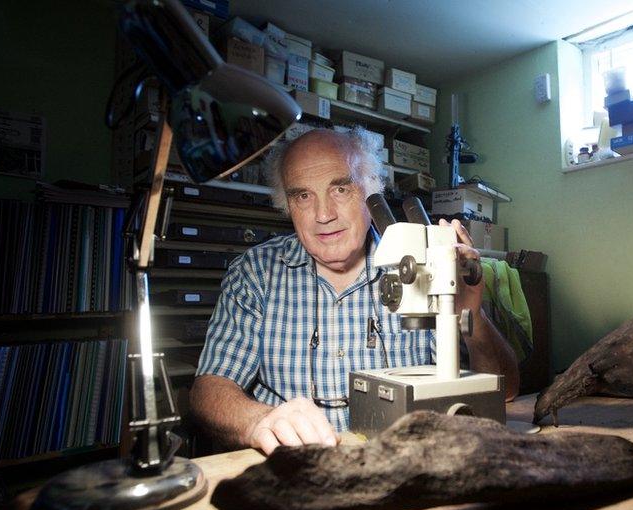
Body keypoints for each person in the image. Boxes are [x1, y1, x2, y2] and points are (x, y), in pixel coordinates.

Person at [190, 128, 519, 455]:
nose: (323, 214)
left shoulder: (420, 262)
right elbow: (209, 391)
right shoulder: (255, 272)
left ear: (371, 191)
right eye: (303, 196)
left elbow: (503, 391)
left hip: (405, 460)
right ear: (286, 205)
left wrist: (471, 314)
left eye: (341, 189)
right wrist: (260, 421)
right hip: (295, 467)